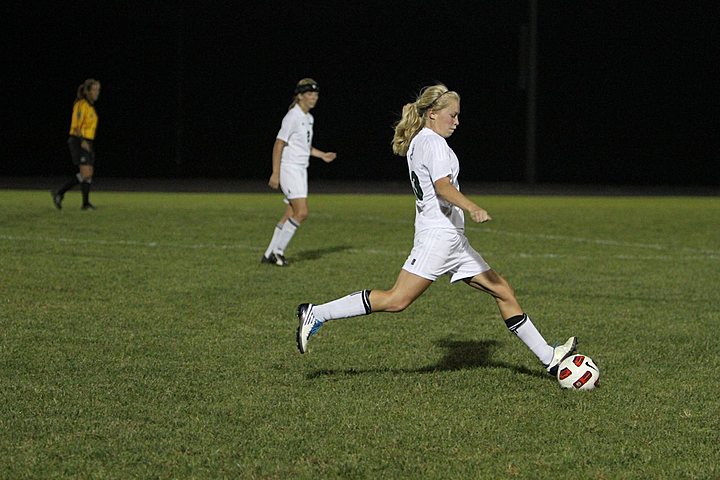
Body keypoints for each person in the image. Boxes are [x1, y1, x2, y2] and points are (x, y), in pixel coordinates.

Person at [296, 84, 577, 376]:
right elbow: (442, 187)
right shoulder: (433, 144)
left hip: (452, 239)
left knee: (503, 290)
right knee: (396, 300)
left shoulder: (421, 140)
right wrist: (472, 207)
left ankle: (549, 358)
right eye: (452, 116)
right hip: (438, 237)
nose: (457, 122)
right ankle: (317, 313)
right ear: (432, 114)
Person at [261, 78, 337, 266]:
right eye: (310, 94)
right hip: (289, 168)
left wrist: (322, 155)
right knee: (302, 212)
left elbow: (304, 147)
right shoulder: (292, 116)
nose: (314, 97)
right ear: (300, 96)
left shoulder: (308, 118)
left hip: (301, 169)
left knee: (290, 213)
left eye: (316, 94)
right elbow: (279, 144)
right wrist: (275, 173)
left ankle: (269, 253)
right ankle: (277, 253)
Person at [52, 78, 101, 210]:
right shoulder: (81, 105)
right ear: (87, 91)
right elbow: (77, 126)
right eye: (95, 90)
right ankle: (59, 192)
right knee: (85, 173)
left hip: (88, 141)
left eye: (98, 90)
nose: (97, 92)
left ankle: (85, 203)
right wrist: (82, 141)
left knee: (88, 173)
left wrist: (88, 142)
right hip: (79, 140)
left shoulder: (91, 108)